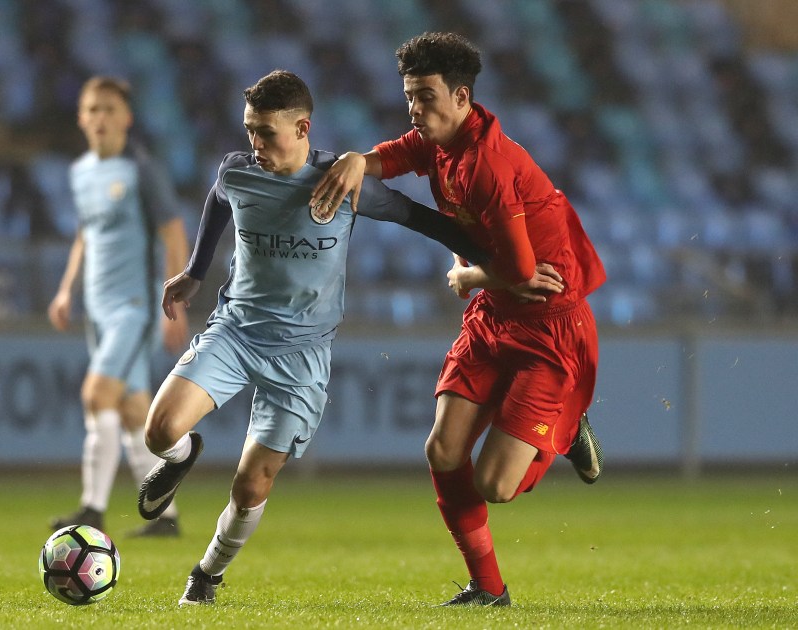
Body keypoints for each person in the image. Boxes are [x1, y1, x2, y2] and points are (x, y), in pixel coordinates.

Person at [135, 69, 561, 606]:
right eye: (249, 132)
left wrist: (502, 268)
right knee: (158, 431)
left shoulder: (342, 183)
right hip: (237, 332)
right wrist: (196, 272)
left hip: (302, 356)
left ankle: (207, 574)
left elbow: (426, 221)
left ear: (303, 128)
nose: (255, 144)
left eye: (266, 133)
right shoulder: (238, 171)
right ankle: (179, 458)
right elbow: (220, 201)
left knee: (249, 488)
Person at [310, 32, 606, 606]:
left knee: (495, 485)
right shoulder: (441, 142)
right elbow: (397, 154)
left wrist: (466, 276)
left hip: (549, 325)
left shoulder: (489, 165)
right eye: (409, 97)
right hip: (495, 319)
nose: (414, 109)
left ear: (462, 97)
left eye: (425, 97)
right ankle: (488, 589)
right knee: (443, 453)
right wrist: (357, 160)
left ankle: (569, 429)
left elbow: (522, 270)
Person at [48, 76, 191, 538]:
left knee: (96, 395)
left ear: (127, 118)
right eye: (93, 109)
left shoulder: (140, 170)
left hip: (134, 307)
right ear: (81, 117)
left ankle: (92, 510)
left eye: (110, 109)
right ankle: (165, 519)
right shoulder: (82, 173)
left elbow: (173, 232)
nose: (101, 118)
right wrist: (67, 289)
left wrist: (177, 301)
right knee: (133, 414)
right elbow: (86, 234)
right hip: (99, 309)